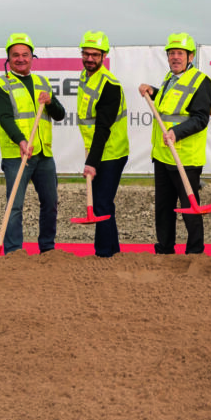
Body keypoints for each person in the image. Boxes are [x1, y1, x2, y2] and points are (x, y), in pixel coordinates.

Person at [0, 33, 66, 254]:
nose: (21, 59)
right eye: (16, 55)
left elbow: (59, 114)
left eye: (25, 55)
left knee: (50, 203)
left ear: (32, 57)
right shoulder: (0, 84)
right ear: (8, 58)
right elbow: (4, 118)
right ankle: (14, 252)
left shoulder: (42, 82)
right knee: (14, 205)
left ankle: (48, 249)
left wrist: (50, 101)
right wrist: (21, 140)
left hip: (43, 154)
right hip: (17, 154)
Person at [138, 33, 211, 255]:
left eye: (180, 53)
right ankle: (164, 249)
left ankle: (195, 253)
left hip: (185, 157)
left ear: (190, 56)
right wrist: (154, 91)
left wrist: (176, 132)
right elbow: (172, 105)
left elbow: (200, 117)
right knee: (163, 208)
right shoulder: (170, 79)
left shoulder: (201, 81)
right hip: (163, 155)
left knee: (191, 208)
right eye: (171, 53)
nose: (175, 57)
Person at [76, 30, 129, 258]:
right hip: (99, 151)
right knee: (103, 203)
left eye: (95, 55)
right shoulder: (85, 76)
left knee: (101, 204)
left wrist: (91, 162)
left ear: (104, 56)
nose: (89, 59)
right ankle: (112, 251)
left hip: (111, 152)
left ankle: (104, 254)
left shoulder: (109, 85)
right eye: (86, 54)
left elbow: (103, 128)